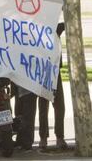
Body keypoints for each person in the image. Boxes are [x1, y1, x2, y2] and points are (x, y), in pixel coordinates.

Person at [38, 22, 67, 150]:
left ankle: (59, 137)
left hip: (55, 71)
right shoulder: (38, 26)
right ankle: (43, 138)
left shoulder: (56, 27)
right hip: (43, 71)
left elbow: (66, 22)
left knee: (59, 106)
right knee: (43, 107)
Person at [14, 86, 37, 151]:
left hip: (30, 90)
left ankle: (27, 144)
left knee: (28, 118)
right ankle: (20, 141)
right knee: (19, 117)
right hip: (19, 90)